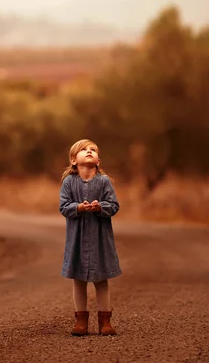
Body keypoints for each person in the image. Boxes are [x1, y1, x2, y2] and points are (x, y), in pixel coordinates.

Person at [59, 138, 122, 337]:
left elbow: (114, 206)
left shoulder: (103, 182)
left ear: (98, 160)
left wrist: (99, 207)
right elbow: (63, 207)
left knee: (101, 279)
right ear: (73, 160)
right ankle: (81, 321)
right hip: (76, 240)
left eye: (93, 150)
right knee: (78, 280)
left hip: (99, 240)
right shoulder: (69, 182)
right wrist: (78, 207)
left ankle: (105, 322)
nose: (89, 152)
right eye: (83, 150)